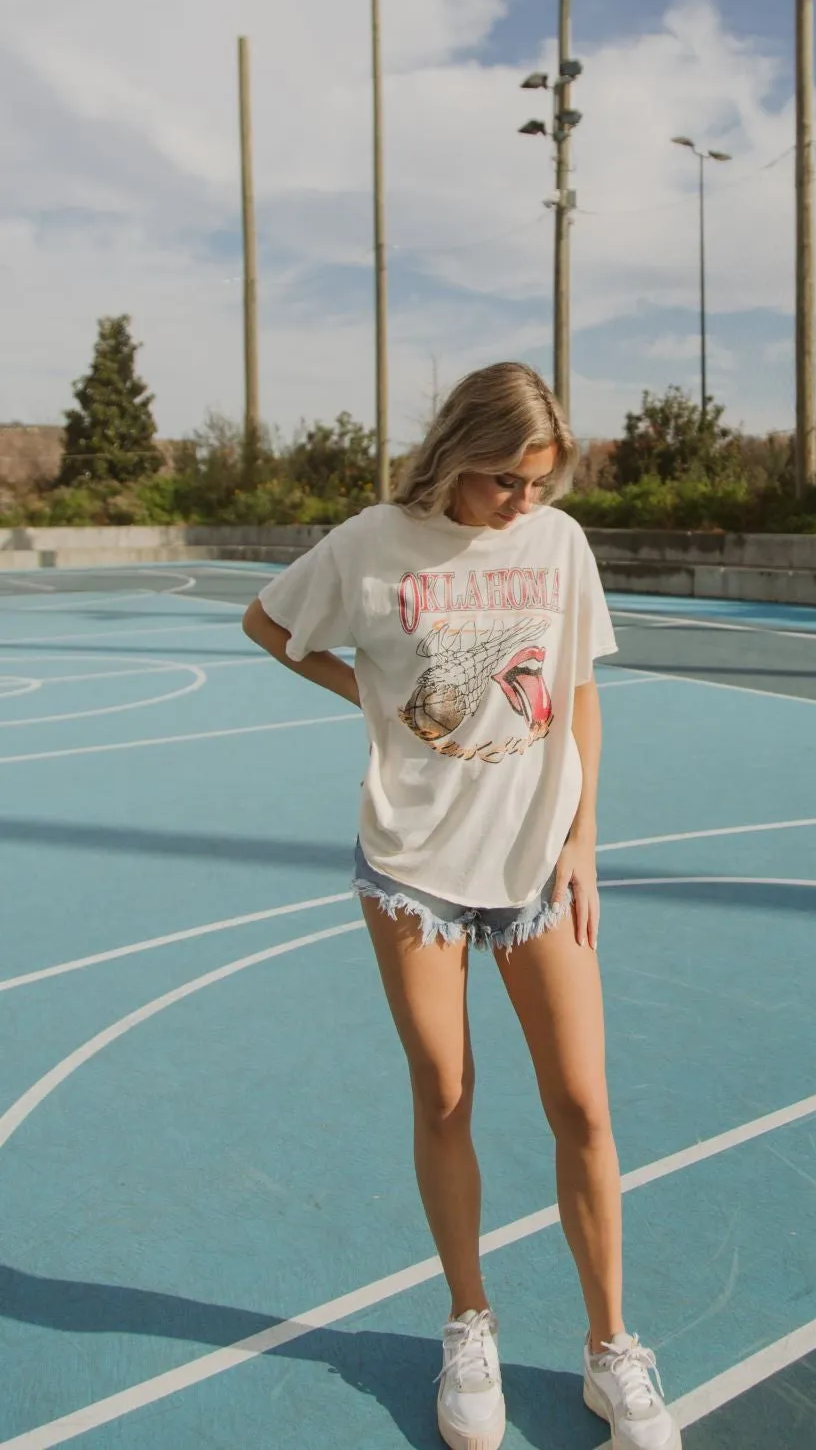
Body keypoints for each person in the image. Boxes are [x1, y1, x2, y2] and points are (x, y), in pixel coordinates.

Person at [242, 362, 679, 1450]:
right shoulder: (371, 542)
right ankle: (468, 1325)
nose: (522, 503)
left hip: (537, 865)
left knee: (582, 1104)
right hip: (412, 867)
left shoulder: (560, 544)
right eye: (502, 482)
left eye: (541, 481)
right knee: (444, 1093)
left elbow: (577, 690)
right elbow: (267, 622)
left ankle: (612, 1350)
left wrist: (583, 839)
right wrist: (372, 698)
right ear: (454, 456)